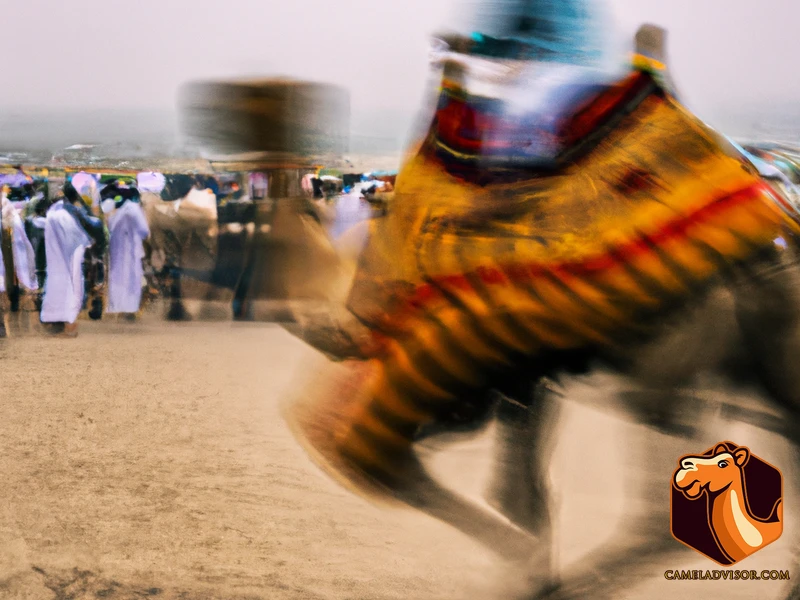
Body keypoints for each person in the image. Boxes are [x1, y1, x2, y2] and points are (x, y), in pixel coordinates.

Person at [39, 183, 104, 336]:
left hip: (55, 260)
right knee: (71, 291)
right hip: (68, 259)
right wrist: (87, 241)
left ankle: (53, 324)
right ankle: (68, 327)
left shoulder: (52, 214)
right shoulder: (67, 214)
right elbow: (76, 235)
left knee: (54, 290)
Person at [104, 184, 150, 319]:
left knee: (117, 279)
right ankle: (129, 310)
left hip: (117, 251)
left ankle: (117, 308)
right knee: (131, 280)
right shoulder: (134, 209)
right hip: (130, 251)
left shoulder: (118, 211)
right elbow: (144, 230)